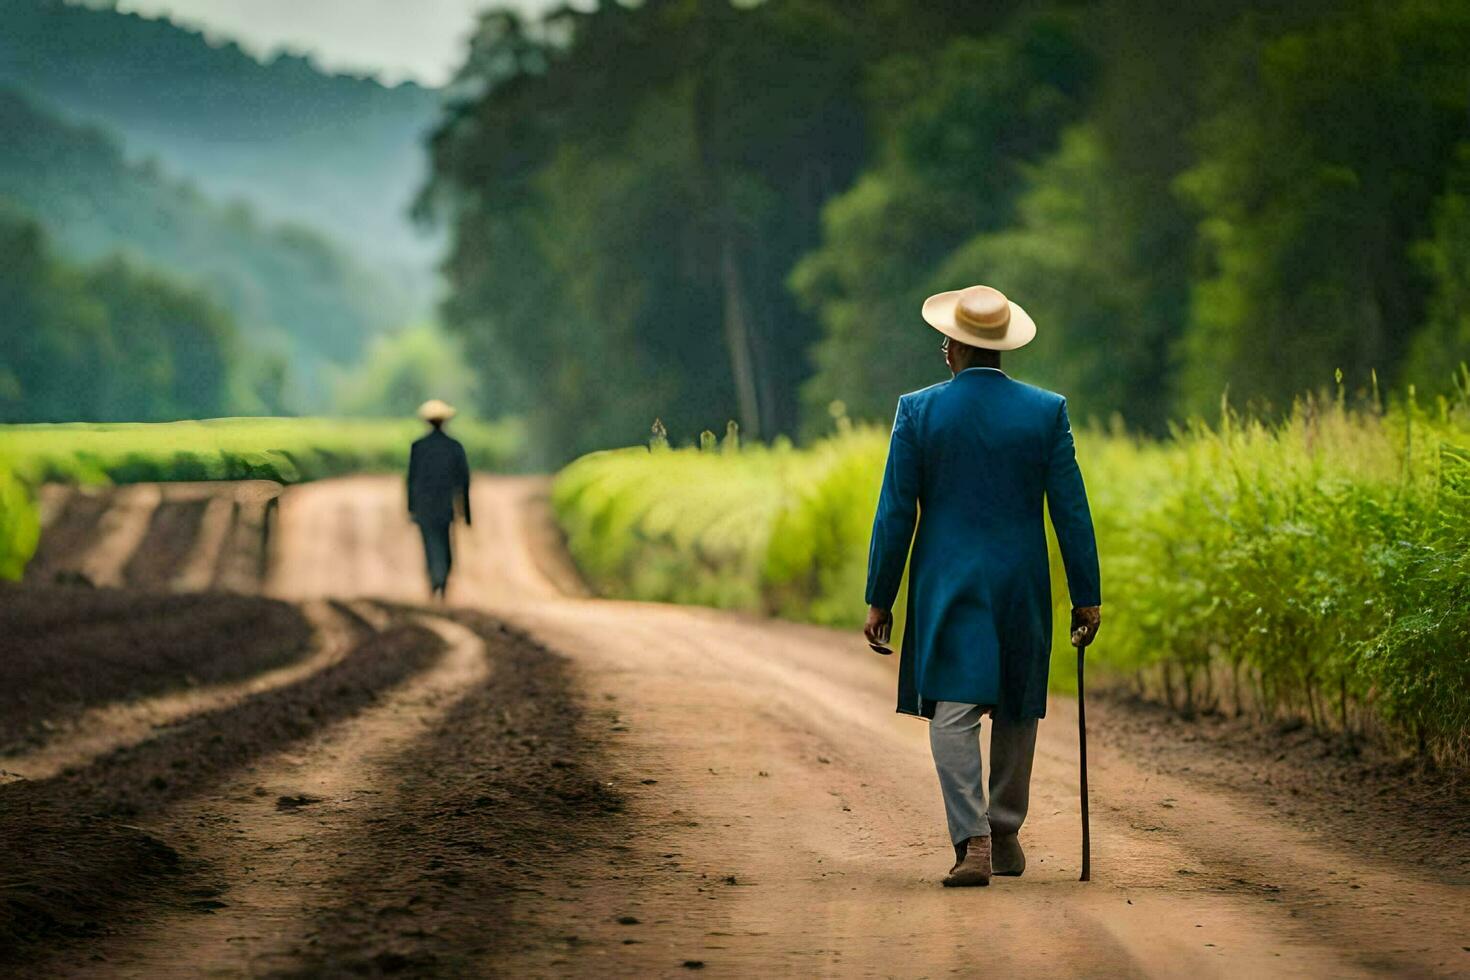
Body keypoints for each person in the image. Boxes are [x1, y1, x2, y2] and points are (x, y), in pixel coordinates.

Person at [863, 284, 1101, 888]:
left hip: (948, 579)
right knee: (1018, 705)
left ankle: (970, 840)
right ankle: (1005, 832)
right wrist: (1086, 593)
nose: (943, 346)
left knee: (953, 705)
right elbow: (1070, 510)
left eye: (946, 338)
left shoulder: (917, 411)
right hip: (1021, 578)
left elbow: (896, 512)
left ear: (956, 349)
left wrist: (880, 597)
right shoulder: (1046, 411)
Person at [407, 399, 471, 600]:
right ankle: (441, 579)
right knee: (444, 543)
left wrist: (411, 507)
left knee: (430, 544)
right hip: (445, 505)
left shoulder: (419, 447)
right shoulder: (454, 447)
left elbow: (411, 480)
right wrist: (467, 512)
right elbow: (464, 481)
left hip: (425, 506)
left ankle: (436, 578)